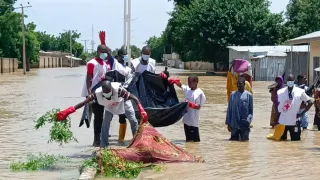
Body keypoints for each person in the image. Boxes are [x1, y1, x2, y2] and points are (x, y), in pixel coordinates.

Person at [56, 80, 148, 148]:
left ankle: (137, 143)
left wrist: (141, 109)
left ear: (111, 90)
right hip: (109, 106)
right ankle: (103, 146)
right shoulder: (97, 94)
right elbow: (84, 103)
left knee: (133, 121)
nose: (107, 95)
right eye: (105, 94)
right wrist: (68, 111)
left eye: (109, 93)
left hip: (122, 102)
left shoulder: (119, 90)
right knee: (105, 124)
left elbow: (134, 98)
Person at [81, 43, 110, 147]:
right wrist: (89, 94)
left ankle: (100, 139)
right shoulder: (91, 63)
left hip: (103, 93)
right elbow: (89, 79)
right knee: (98, 116)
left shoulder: (106, 64)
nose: (104, 54)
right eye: (102, 52)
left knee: (102, 116)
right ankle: (96, 140)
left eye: (105, 52)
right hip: (93, 93)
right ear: (98, 52)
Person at [109, 48, 137, 144]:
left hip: (124, 96)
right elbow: (109, 56)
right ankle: (105, 140)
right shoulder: (115, 64)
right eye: (123, 55)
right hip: (113, 95)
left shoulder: (129, 69)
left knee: (128, 118)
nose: (125, 57)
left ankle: (126, 140)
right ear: (119, 56)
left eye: (126, 56)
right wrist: (103, 42)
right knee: (109, 118)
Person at [170, 75, 206, 142]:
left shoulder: (200, 93)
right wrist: (175, 81)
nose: (189, 84)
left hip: (194, 121)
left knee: (196, 142)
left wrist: (189, 104)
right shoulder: (187, 89)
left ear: (196, 82)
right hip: (186, 120)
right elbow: (181, 86)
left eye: (190, 82)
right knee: (188, 141)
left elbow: (198, 107)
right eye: (188, 82)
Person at [277, 74, 313, 141]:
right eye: (288, 80)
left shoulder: (300, 91)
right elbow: (278, 106)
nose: (290, 82)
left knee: (295, 142)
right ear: (286, 81)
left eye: (291, 80)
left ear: (294, 81)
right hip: (283, 122)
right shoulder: (280, 92)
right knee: (281, 142)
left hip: (295, 121)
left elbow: (310, 102)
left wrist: (301, 114)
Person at [226, 77, 253, 141]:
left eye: (240, 84)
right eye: (237, 84)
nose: (238, 85)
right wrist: (228, 123)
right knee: (234, 143)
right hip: (234, 123)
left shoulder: (249, 95)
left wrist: (248, 121)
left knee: (245, 143)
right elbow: (229, 109)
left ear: (244, 84)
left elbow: (250, 110)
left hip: (244, 123)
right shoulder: (232, 95)